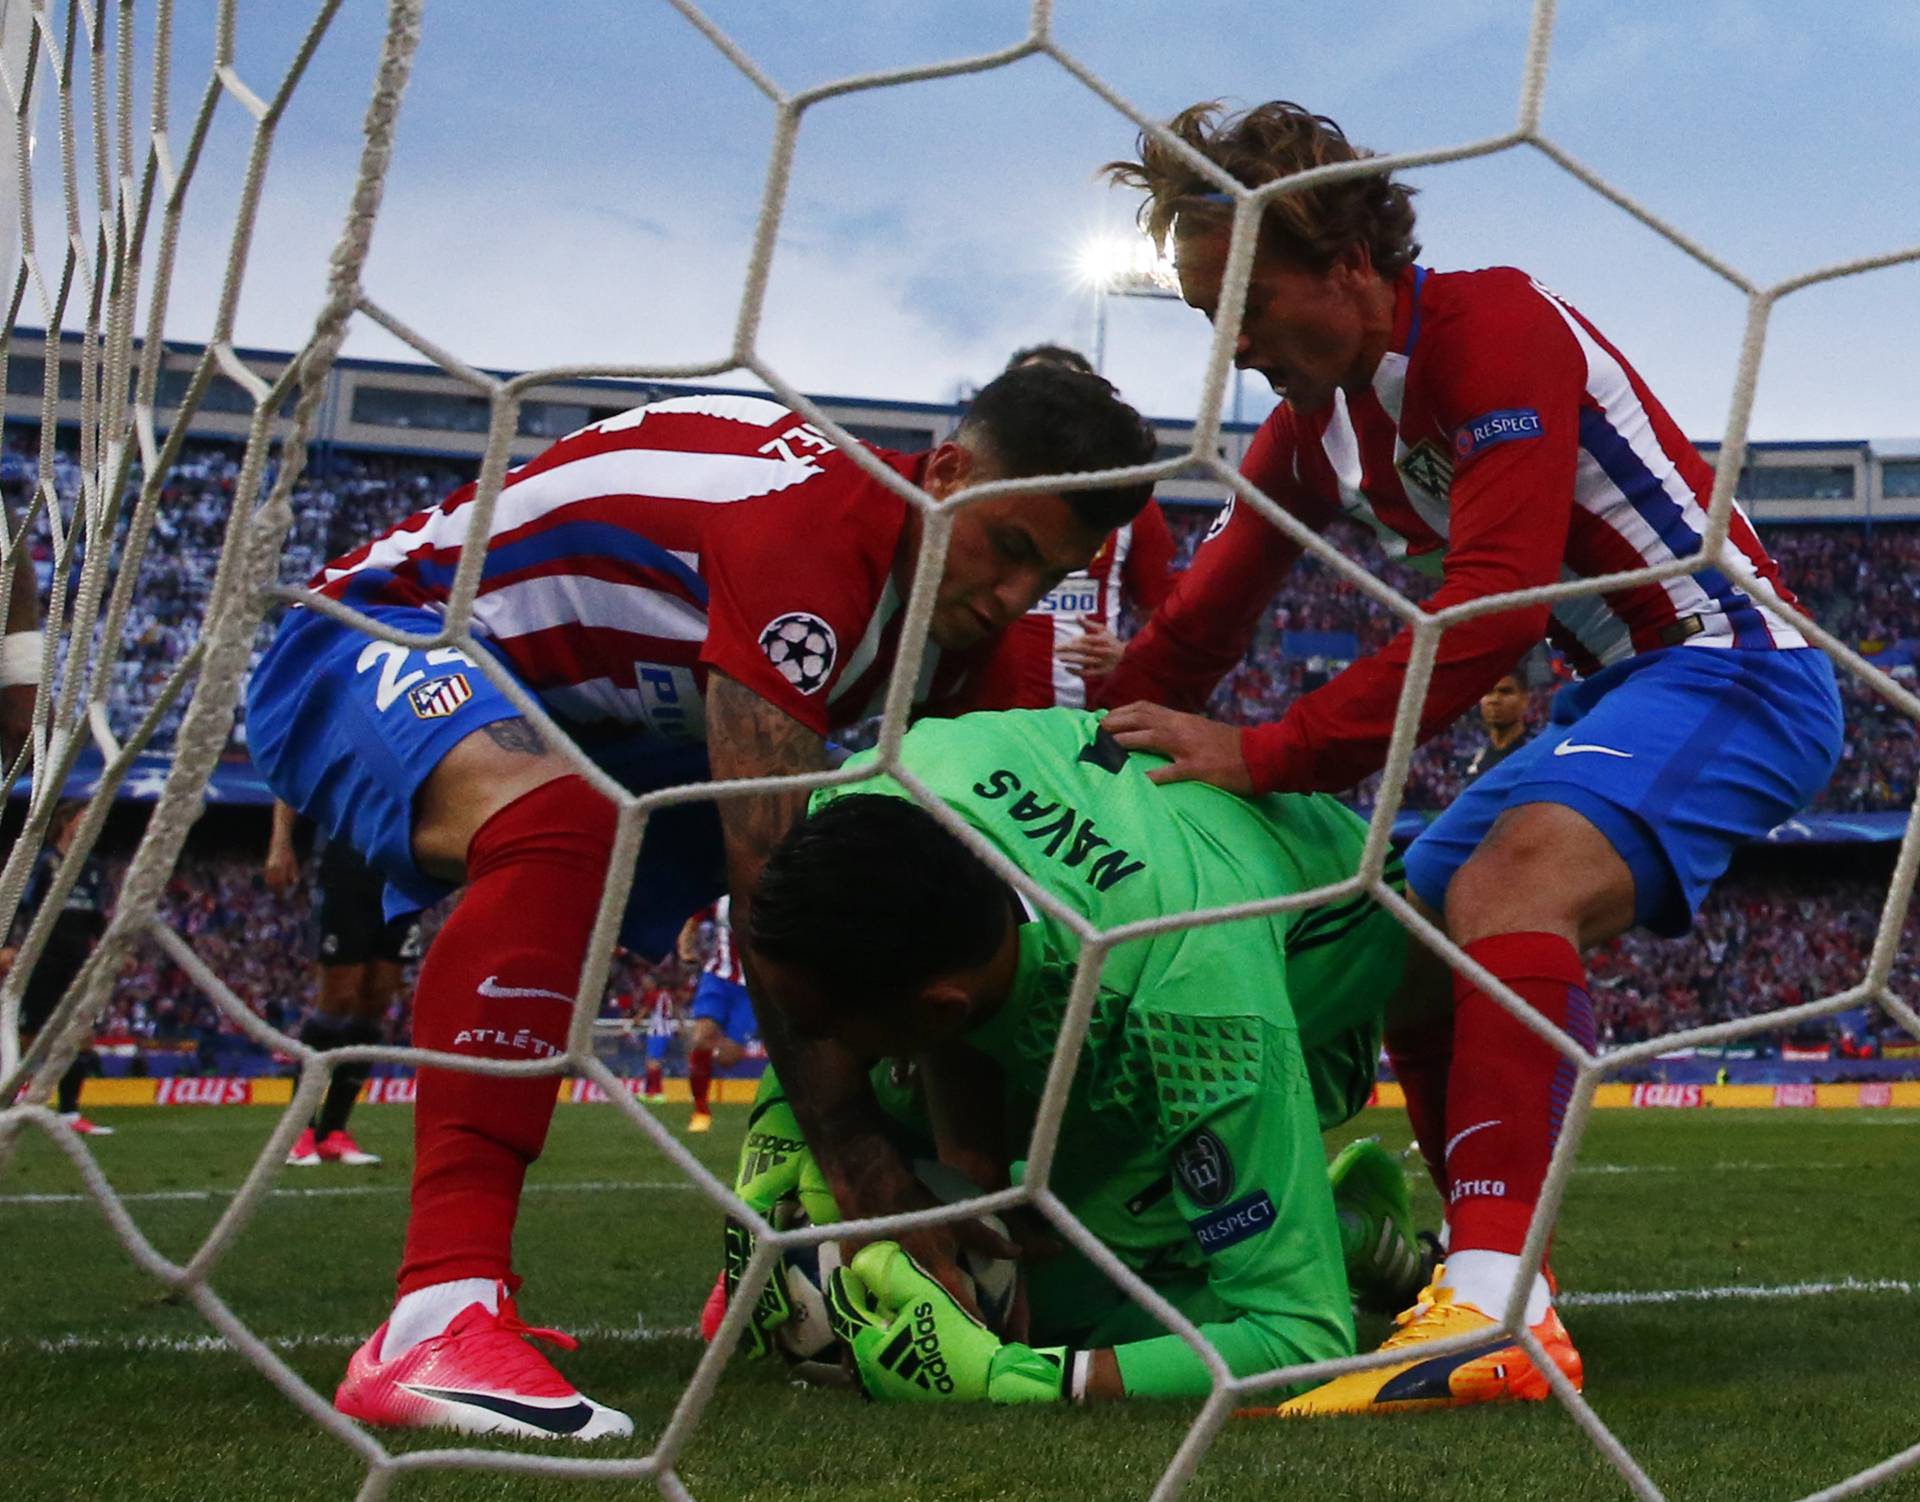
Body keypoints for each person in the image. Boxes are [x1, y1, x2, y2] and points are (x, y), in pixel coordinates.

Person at [243, 364, 1158, 1441]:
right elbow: (772, 895)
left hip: (613, 729)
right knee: (591, 836)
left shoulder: (965, 640)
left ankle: (781, 1258)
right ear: (946, 472)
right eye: (1008, 547)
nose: (1012, 596)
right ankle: (435, 1316)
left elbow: (946, 921)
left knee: (898, 900)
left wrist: (967, 1180)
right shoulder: (820, 534)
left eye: (1045, 573)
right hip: (376, 632)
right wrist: (863, 1166)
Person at [1093, 101, 1843, 1411]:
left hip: (1737, 664)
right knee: (1409, 940)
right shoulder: (1314, 423)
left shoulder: (1489, 324)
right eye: (1211, 315)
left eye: (1251, 304)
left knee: (1510, 884)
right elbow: (1199, 624)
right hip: (1615, 686)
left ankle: (1491, 1309)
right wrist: (1068, 752)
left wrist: (1268, 751)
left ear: (1345, 259)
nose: (1236, 344)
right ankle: (1493, 1274)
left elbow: (1491, 605)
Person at [743, 707, 1443, 1404]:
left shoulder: (1194, 1017)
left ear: (939, 1010)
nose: (809, 1045)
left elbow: (1301, 1345)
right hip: (1129, 910)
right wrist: (955, 1163)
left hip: (1309, 956)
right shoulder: (879, 788)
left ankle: (1340, 1231)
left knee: (1051, 1300)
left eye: (818, 1026)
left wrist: (1013, 1381)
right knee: (865, 1127)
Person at [978, 345, 1179, 711]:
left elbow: (1165, 614)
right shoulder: (974, 496)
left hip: (1082, 724)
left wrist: (1128, 655)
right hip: (978, 716)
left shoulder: (1131, 508)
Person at [264, 802, 420, 1167]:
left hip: (403, 872)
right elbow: (290, 782)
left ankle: (334, 1131)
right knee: (339, 997)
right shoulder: (343, 742)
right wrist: (280, 843)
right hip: (345, 867)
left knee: (378, 998)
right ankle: (298, 1129)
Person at [0, 798, 113, 1135]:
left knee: (80, 1034)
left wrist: (113, 947)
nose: (91, 822)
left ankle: (69, 1112)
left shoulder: (92, 867)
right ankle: (10, 1099)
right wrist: (7, 946)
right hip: (41, 959)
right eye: (85, 815)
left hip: (78, 961)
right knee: (29, 1035)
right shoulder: (44, 864)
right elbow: (19, 905)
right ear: (66, 822)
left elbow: (95, 917)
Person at [676, 894, 754, 1132]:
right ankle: (701, 1111)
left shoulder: (775, 890)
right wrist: (685, 948)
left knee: (728, 1058)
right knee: (701, 1039)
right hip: (717, 978)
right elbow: (693, 921)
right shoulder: (720, 895)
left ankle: (713, 1055)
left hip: (752, 988)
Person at [1463, 672, 1530, 786]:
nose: (1494, 700)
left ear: (1524, 700)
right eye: (1488, 692)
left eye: (1505, 692)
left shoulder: (1536, 756)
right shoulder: (1476, 759)